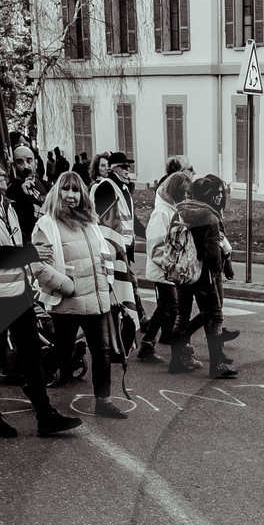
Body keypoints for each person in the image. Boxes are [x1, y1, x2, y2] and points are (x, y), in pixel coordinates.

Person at [0, 149, 80, 438]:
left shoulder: (5, 206)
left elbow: (13, 243)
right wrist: (30, 253)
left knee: (32, 354)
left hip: (17, 291)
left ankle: (45, 415)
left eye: (2, 167)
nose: (3, 172)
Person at [33, 169, 125, 417]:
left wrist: (107, 284)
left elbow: (102, 256)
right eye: (65, 189)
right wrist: (66, 285)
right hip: (69, 300)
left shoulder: (90, 222)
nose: (71, 195)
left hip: (96, 298)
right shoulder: (47, 223)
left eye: (76, 190)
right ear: (57, 192)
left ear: (83, 194)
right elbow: (39, 265)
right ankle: (34, 385)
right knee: (62, 352)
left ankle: (104, 401)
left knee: (102, 351)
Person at [167, 174, 236, 378]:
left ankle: (176, 360)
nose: (218, 197)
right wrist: (216, 271)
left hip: (183, 272)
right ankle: (217, 364)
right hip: (204, 275)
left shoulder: (179, 212)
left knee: (182, 315)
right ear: (210, 196)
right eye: (216, 194)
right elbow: (213, 254)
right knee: (214, 316)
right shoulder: (210, 217)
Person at [137, 168, 198, 368]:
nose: (186, 196)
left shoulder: (174, 210)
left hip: (171, 270)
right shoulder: (162, 212)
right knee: (174, 307)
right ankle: (180, 350)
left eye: (188, 192)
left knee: (164, 308)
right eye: (182, 192)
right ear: (173, 190)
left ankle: (147, 344)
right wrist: (171, 265)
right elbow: (154, 246)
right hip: (164, 270)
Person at [91, 150, 144, 356]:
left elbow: (130, 218)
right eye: (123, 166)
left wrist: (147, 234)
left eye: (129, 166)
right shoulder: (107, 186)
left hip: (124, 251)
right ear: (113, 168)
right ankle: (112, 341)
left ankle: (121, 338)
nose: (128, 169)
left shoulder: (123, 188)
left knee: (123, 294)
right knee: (115, 296)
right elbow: (101, 220)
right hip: (111, 252)